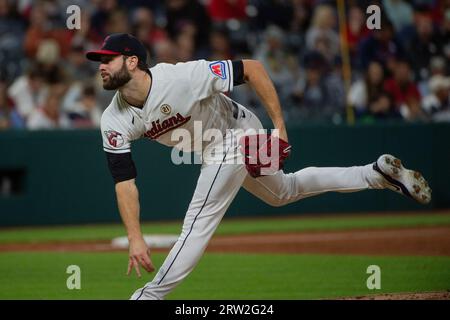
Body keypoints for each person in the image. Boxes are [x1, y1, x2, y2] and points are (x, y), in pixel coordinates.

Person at [86, 33, 432, 300]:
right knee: (283, 192)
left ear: (132, 62)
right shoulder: (113, 119)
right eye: (98, 60)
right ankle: (374, 173)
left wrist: (279, 127)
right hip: (215, 149)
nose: (100, 65)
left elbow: (252, 68)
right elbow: (124, 181)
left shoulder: (181, 77)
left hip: (238, 134)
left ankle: (146, 297)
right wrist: (135, 237)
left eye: (107, 59)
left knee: (197, 224)